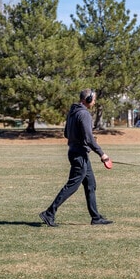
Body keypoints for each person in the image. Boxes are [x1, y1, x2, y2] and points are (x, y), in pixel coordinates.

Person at [39, 89, 113, 227]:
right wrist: (102, 154)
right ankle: (49, 213)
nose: (95, 102)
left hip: (76, 152)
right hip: (80, 155)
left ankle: (95, 217)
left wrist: (80, 139)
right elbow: (89, 138)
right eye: (94, 99)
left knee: (90, 184)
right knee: (72, 185)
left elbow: (67, 133)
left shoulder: (72, 112)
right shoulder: (84, 114)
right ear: (88, 99)